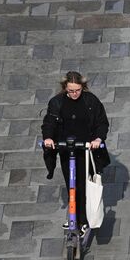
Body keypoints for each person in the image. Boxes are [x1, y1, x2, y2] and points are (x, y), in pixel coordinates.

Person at [41, 71, 110, 236]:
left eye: (77, 90)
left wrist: (98, 139)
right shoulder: (57, 102)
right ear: (65, 88)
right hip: (66, 149)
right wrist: (48, 138)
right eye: (70, 90)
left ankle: (83, 219)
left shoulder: (90, 101)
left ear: (82, 87)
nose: (74, 94)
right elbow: (49, 122)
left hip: (86, 149)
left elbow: (102, 122)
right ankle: (74, 217)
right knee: (71, 184)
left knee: (84, 184)